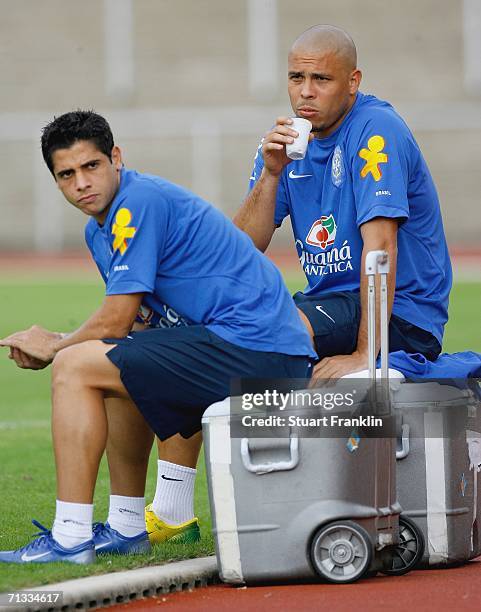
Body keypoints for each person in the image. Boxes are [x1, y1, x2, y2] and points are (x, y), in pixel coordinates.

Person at [0, 110, 315, 564]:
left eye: (91, 166)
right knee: (114, 363)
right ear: (56, 182)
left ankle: (69, 538)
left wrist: (54, 345)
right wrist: (68, 340)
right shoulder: (99, 230)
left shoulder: (138, 200)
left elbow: (112, 320)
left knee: (76, 365)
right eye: (66, 175)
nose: (81, 183)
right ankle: (128, 526)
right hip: (247, 350)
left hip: (260, 353)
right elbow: (132, 327)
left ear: (116, 158)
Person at [234, 25, 452, 381]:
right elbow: (241, 249)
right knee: (222, 336)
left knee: (271, 334)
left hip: (401, 316)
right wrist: (270, 175)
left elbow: (381, 248)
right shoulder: (284, 147)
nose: (305, 92)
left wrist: (367, 353)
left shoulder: (376, 130)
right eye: (296, 77)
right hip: (332, 305)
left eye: (321, 79)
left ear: (352, 81)